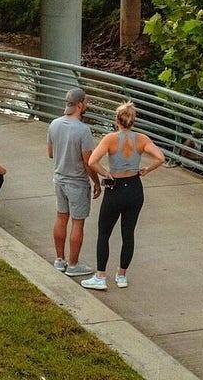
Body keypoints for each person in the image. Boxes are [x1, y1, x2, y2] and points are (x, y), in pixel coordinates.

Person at [80, 101, 165, 291]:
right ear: (133, 121)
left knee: (104, 233)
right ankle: (122, 275)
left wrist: (105, 173)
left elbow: (93, 161)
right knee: (128, 234)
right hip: (135, 187)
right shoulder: (142, 139)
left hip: (115, 188)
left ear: (116, 120)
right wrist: (146, 169)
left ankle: (101, 276)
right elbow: (160, 157)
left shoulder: (110, 139)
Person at [47, 87, 101, 278]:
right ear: (80, 104)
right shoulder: (83, 130)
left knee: (61, 217)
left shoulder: (54, 124)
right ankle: (73, 264)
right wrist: (96, 182)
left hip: (59, 178)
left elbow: (50, 153)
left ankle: (59, 260)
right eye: (85, 102)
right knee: (78, 223)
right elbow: (88, 162)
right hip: (77, 182)